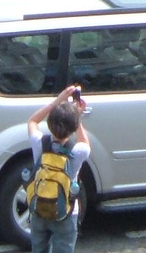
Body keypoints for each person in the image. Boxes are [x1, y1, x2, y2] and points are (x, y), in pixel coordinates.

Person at [25, 86, 91, 253]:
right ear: (73, 126)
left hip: (39, 209)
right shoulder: (78, 151)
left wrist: (57, 101)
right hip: (66, 213)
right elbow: (85, 142)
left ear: (49, 123)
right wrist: (77, 116)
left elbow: (32, 121)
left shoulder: (40, 143)